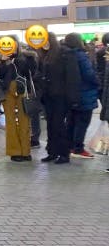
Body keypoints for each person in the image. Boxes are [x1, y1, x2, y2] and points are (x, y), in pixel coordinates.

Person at [38, 34, 80, 164]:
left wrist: (73, 98)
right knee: (51, 125)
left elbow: (73, 77)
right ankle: (52, 152)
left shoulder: (65, 54)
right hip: (49, 96)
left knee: (59, 125)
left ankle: (64, 153)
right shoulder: (45, 55)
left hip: (62, 97)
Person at [0, 37, 37, 161]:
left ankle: (25, 151)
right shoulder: (1, 59)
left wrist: (24, 58)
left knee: (25, 121)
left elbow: (32, 72)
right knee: (11, 122)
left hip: (22, 91)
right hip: (8, 92)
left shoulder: (26, 57)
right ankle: (15, 152)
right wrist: (3, 61)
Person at [63, 33, 100, 159]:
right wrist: (98, 82)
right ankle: (78, 148)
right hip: (84, 93)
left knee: (71, 121)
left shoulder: (63, 55)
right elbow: (89, 74)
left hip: (69, 94)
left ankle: (69, 146)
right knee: (82, 122)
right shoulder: (80, 55)